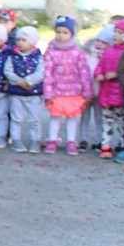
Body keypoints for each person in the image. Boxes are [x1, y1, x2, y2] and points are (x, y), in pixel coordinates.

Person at [42, 16, 91, 155]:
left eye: (65, 32)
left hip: (74, 92)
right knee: (55, 116)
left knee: (71, 117)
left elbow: (84, 72)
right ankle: (52, 139)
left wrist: (87, 92)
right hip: (57, 92)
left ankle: (71, 141)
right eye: (58, 32)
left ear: (72, 34)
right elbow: (48, 73)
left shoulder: (78, 51)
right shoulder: (51, 51)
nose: (61, 35)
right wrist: (48, 93)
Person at [4, 25, 45, 154]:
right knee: (16, 118)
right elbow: (8, 71)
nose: (20, 43)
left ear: (32, 42)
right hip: (16, 92)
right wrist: (19, 81)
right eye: (19, 40)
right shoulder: (13, 56)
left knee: (35, 119)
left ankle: (35, 141)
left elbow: (41, 73)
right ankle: (16, 139)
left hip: (33, 93)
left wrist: (29, 81)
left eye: (24, 40)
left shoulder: (38, 57)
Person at [94, 19, 124, 159]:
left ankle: (122, 145)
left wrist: (116, 75)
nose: (116, 35)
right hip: (107, 91)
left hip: (120, 92)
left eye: (120, 32)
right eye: (115, 32)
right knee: (107, 120)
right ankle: (106, 145)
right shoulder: (109, 51)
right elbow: (100, 65)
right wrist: (98, 74)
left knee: (121, 121)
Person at [82, 25, 114, 150]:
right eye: (98, 40)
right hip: (87, 90)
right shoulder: (87, 53)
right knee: (84, 117)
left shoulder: (108, 56)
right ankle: (83, 139)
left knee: (99, 117)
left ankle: (99, 140)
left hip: (101, 92)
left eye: (104, 42)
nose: (99, 44)